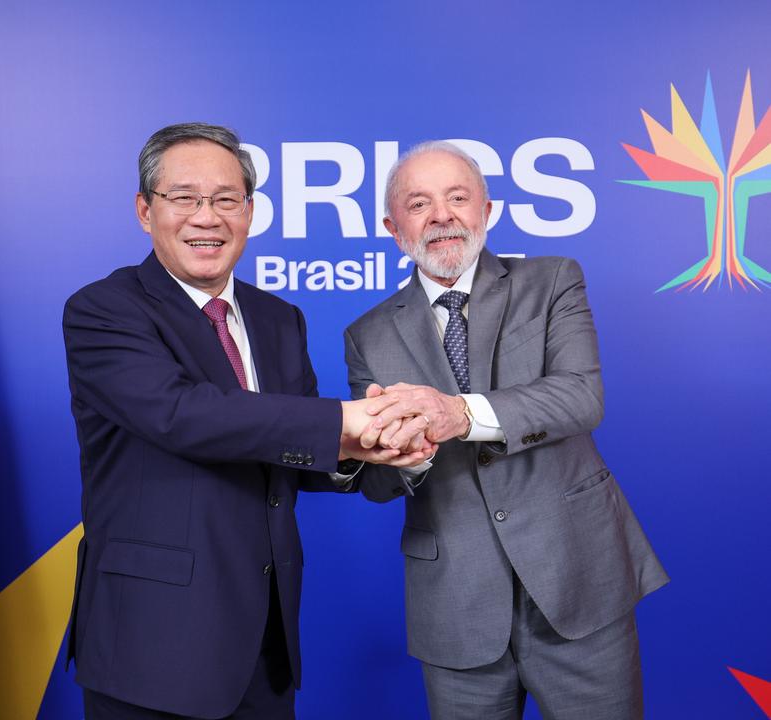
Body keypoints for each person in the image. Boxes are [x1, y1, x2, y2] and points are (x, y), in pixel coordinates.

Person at [62, 123, 429, 720]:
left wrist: (377, 446)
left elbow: (292, 450)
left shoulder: (278, 317)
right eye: (184, 198)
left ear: (250, 212)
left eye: (226, 199)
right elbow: (182, 415)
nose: (207, 217)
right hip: (151, 648)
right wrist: (343, 420)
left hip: (264, 644)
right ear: (145, 211)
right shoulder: (103, 310)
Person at [344, 141, 669, 720]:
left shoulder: (552, 280)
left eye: (457, 197)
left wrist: (459, 414)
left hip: (577, 581)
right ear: (394, 229)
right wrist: (405, 458)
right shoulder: (366, 335)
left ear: (486, 211)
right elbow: (375, 484)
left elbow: (581, 396)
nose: (441, 216)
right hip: (456, 605)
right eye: (418, 204)